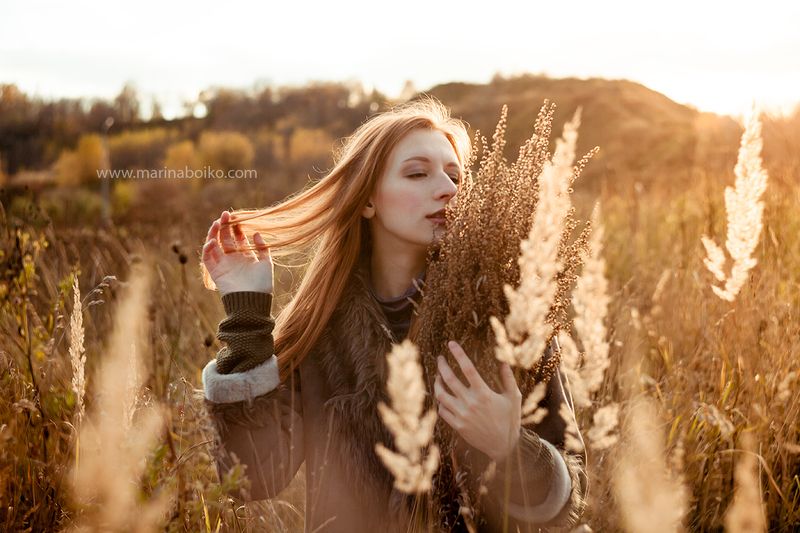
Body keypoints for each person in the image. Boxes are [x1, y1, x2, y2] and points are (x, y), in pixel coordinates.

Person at [199, 95, 588, 532]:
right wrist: (246, 310)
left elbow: (568, 501)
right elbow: (250, 479)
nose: (447, 188)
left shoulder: (505, 316)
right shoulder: (323, 329)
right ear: (367, 200)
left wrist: (509, 446)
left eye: (455, 176)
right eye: (418, 173)